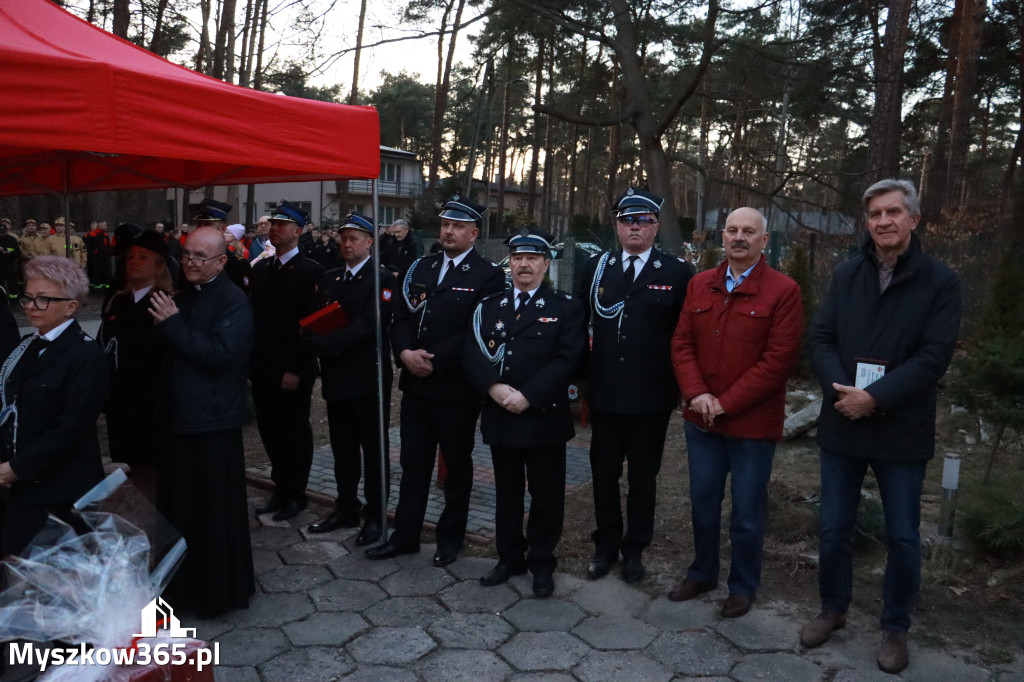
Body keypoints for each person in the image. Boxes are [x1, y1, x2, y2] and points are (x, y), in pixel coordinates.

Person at [802, 179, 961, 674]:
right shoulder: (846, 275)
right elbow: (821, 338)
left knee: (903, 536)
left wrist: (877, 398)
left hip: (901, 427)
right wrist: (843, 393)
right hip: (844, 421)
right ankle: (833, 609)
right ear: (866, 222)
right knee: (833, 528)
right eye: (874, 214)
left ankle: (895, 627)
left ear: (914, 219)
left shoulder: (940, 282)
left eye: (893, 212)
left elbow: (934, 356)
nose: (883, 221)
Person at [668, 207, 804, 618]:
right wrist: (697, 394)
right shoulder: (699, 285)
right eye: (731, 230)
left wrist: (725, 403)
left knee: (747, 512)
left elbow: (778, 361)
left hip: (751, 428)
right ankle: (703, 572)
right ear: (721, 237)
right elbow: (682, 344)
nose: (738, 237)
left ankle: (743, 585)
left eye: (749, 231)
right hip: (701, 422)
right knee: (703, 505)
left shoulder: (783, 291)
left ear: (765, 240)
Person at [366, 194, 504, 566]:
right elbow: (401, 317)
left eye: (458, 226)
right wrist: (405, 354)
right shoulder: (421, 268)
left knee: (456, 467)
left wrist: (434, 360)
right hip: (415, 383)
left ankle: (450, 538)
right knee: (413, 464)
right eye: (445, 224)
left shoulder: (488, 275)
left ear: (473, 233)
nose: (448, 231)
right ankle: (406, 535)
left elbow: (477, 330)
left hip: (455, 388)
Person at [576, 187, 694, 584]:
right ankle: (605, 545)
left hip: (651, 395)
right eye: (628, 220)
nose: (635, 228)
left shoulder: (676, 272)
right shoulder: (595, 268)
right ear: (617, 225)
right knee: (604, 473)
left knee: (644, 476)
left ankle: (635, 549)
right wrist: (578, 384)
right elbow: (578, 328)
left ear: (656, 227)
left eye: (643, 220)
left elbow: (684, 334)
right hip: (605, 392)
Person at [465, 228, 585, 597]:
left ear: (546, 264)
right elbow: (471, 352)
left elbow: (570, 358)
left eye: (532, 258)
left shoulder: (565, 307)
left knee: (546, 495)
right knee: (508, 493)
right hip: (502, 415)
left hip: (543, 417)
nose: (524, 265)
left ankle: (542, 563)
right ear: (510, 264)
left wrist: (528, 396)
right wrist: (494, 387)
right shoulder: (489, 307)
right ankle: (509, 558)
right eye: (517, 258)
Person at [149, 225, 255, 617]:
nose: (190, 263)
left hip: (212, 423)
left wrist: (173, 325)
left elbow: (218, 356)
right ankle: (181, 589)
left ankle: (215, 595)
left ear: (221, 262)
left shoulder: (233, 301)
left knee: (211, 514)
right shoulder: (186, 293)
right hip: (181, 418)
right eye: (187, 255)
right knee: (181, 510)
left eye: (200, 257)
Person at [0, 256, 107, 556]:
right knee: (23, 580)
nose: (31, 306)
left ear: (71, 306)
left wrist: (16, 469)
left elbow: (72, 428)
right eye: (28, 298)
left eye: (43, 299)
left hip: (64, 490)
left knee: (69, 586)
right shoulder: (27, 346)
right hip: (23, 488)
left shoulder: (86, 355)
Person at [303, 213, 396, 545]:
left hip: (367, 378)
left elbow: (370, 325)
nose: (346, 243)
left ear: (369, 242)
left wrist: (325, 344)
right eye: (343, 237)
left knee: (373, 451)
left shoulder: (381, 278)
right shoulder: (331, 278)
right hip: (336, 377)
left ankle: (375, 516)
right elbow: (318, 317)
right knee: (343, 449)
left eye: (354, 238)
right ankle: (345, 508)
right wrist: (311, 336)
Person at [249, 201, 323, 522]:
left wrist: (295, 368)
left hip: (294, 369)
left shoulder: (310, 271)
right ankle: (280, 489)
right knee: (270, 429)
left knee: (294, 430)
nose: (275, 228)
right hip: (264, 366)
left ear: (298, 231)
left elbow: (310, 326)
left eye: (283, 224)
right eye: (273, 224)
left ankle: (296, 493)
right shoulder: (261, 269)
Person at [98, 231, 175, 504]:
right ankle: (149, 520)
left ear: (158, 264)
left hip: (147, 400)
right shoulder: (119, 299)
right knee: (136, 465)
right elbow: (104, 341)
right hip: (120, 401)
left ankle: (165, 526)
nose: (134, 261)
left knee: (156, 468)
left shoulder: (163, 300)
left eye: (143, 257)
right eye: (130, 256)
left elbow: (153, 354)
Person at [83, 219, 114, 290]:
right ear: (100, 226)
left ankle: (107, 289)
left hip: (106, 259)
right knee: (97, 275)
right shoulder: (91, 235)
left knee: (107, 274)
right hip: (96, 259)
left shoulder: (106, 235)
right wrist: (94, 254)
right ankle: (98, 290)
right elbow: (87, 247)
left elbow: (108, 246)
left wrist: (109, 252)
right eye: (105, 225)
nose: (106, 226)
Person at [0, 221, 20, 301]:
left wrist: (10, 252)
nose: (2, 234)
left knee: (12, 284)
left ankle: (14, 300)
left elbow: (18, 252)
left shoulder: (12, 239)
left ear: (6, 231)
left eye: (3, 232)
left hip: (10, 265)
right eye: (0, 232)